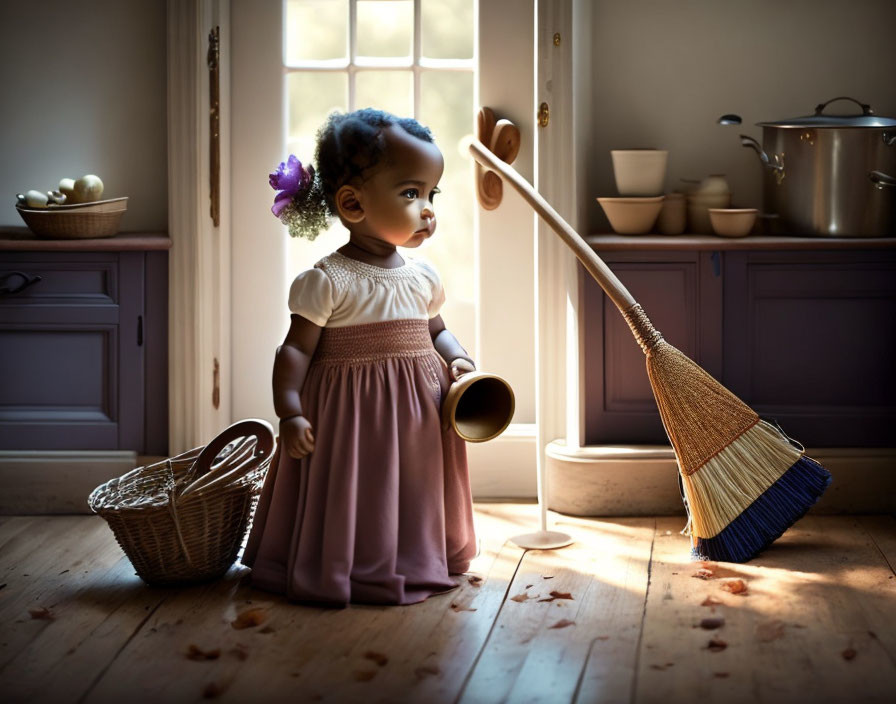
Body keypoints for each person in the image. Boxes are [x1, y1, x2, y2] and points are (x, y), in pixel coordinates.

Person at [242, 108, 477, 606]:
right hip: (351, 417)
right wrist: (290, 410)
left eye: (432, 194)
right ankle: (349, 561)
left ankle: (413, 555)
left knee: (410, 486)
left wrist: (458, 359)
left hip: (418, 414)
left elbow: (437, 330)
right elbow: (295, 350)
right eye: (411, 193)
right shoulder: (328, 281)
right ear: (352, 203)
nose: (428, 208)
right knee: (362, 488)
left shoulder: (422, 276)